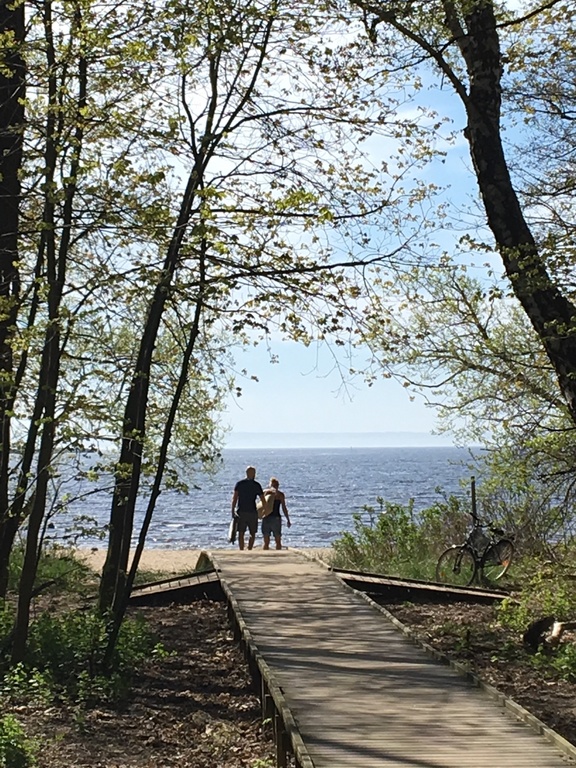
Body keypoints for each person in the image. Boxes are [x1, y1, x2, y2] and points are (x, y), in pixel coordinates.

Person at [231, 466, 266, 550]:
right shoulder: (256, 485)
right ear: (253, 474)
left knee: (241, 532)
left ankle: (241, 549)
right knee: (252, 532)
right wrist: (263, 511)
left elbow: (234, 498)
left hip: (241, 511)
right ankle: (249, 548)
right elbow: (263, 500)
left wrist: (233, 510)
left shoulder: (239, 484)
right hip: (252, 511)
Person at [261, 477, 291, 550]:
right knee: (278, 540)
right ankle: (278, 552)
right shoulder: (280, 495)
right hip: (276, 518)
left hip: (267, 517)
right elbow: (284, 508)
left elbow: (261, 505)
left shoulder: (265, 492)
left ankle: (266, 553)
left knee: (266, 541)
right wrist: (288, 519)